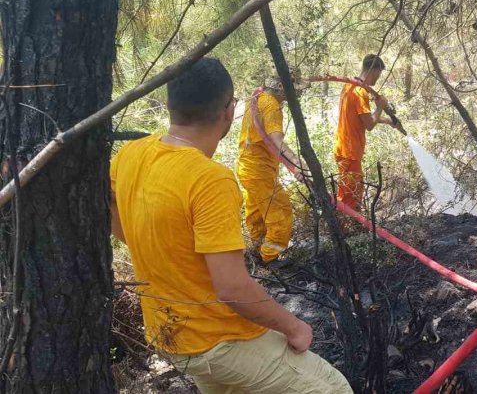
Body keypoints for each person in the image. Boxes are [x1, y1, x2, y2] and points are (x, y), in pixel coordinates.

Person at [110, 58, 351, 393]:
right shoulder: (210, 180)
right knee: (333, 388)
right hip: (217, 341)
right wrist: (294, 326)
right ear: (229, 111)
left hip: (169, 336)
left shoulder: (130, 154)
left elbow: (124, 230)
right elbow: (231, 287)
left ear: (169, 105)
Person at [236, 77, 304, 264]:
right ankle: (270, 258)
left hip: (247, 168)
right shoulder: (272, 106)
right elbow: (276, 140)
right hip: (259, 172)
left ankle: (256, 249)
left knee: (257, 212)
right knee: (280, 212)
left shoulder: (258, 97)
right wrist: (298, 164)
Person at [334, 54, 398, 211]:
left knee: (348, 191)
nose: (377, 79)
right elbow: (369, 124)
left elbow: (361, 118)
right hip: (350, 151)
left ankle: (347, 227)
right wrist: (380, 107)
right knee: (351, 195)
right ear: (373, 70)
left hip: (344, 149)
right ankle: (346, 230)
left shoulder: (349, 86)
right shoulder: (359, 92)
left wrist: (388, 121)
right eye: (379, 74)